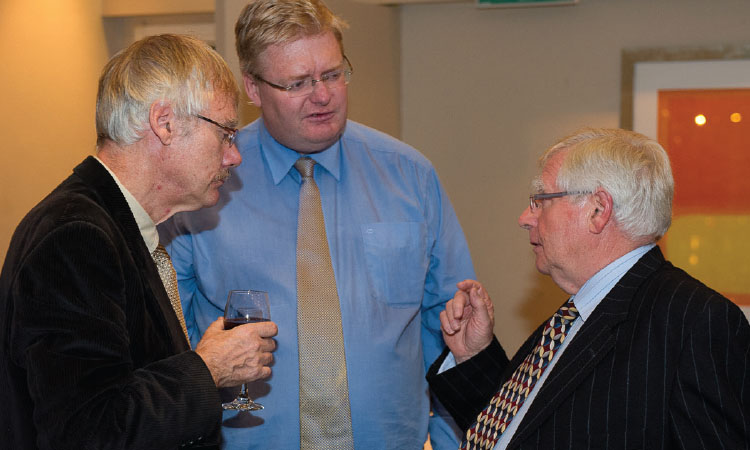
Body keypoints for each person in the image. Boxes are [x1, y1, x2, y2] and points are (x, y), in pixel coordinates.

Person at [157, 0, 474, 448]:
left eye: (332, 74)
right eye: (298, 83)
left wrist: (449, 443)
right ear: (253, 87)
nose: (323, 95)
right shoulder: (205, 188)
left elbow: (454, 335)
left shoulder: (410, 177)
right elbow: (170, 343)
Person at [0, 34, 278, 450]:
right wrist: (208, 369)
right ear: (164, 123)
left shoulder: (118, 225)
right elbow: (87, 431)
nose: (234, 156)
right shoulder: (75, 237)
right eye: (225, 133)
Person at [427, 128, 750, 449]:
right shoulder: (574, 316)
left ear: (598, 209)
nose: (525, 218)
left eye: (541, 200)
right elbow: (520, 429)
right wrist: (472, 355)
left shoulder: (694, 320)